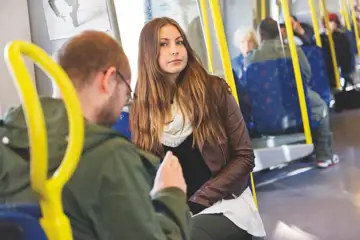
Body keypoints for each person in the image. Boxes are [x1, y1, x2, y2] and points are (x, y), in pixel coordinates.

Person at [0, 30, 191, 240]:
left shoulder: (8, 141)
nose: (122, 107)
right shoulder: (109, 157)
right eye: (126, 93)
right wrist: (171, 195)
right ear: (109, 79)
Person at [130, 17, 266, 240]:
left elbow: (244, 157)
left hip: (226, 204)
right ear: (148, 53)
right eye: (164, 44)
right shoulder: (142, 111)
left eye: (179, 42)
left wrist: (196, 203)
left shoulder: (214, 90)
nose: (174, 50)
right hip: (177, 210)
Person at [245, 18, 339, 168]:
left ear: (260, 36)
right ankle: (324, 156)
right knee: (321, 107)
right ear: (279, 33)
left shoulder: (250, 59)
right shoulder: (293, 51)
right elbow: (306, 75)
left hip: (264, 113)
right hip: (293, 107)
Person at [320, 13, 355, 90]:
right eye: (330, 21)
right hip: (326, 69)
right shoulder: (320, 38)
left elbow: (345, 55)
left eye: (334, 21)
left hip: (339, 67)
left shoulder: (342, 37)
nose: (332, 24)